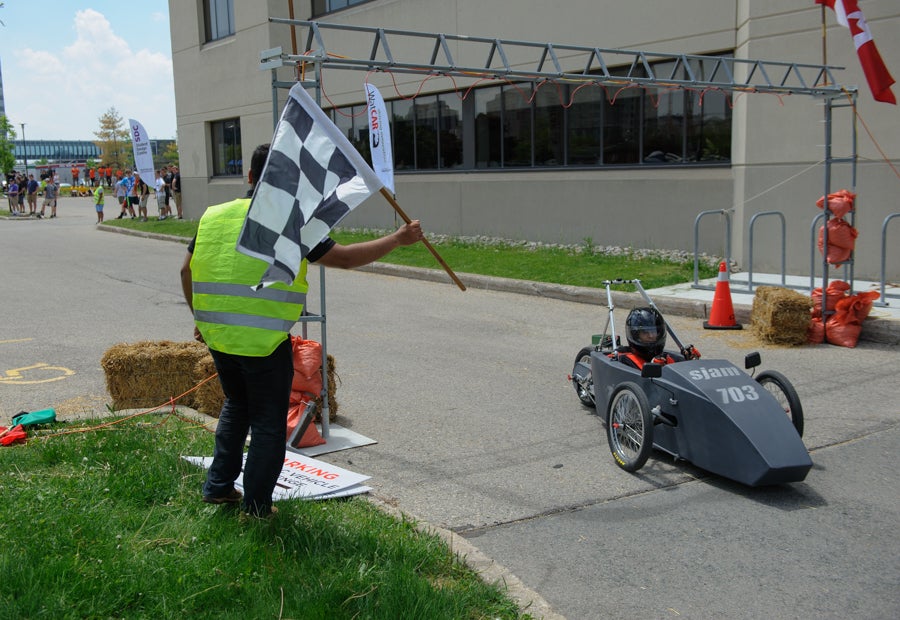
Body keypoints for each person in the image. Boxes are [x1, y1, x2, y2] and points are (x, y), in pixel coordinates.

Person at [180, 143, 424, 518]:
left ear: (249, 177)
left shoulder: (214, 215)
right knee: (267, 423)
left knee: (236, 405)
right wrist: (397, 239)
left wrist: (201, 318)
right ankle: (258, 507)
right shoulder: (291, 223)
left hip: (219, 338)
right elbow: (343, 258)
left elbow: (186, 270)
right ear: (288, 182)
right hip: (264, 344)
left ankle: (217, 487)